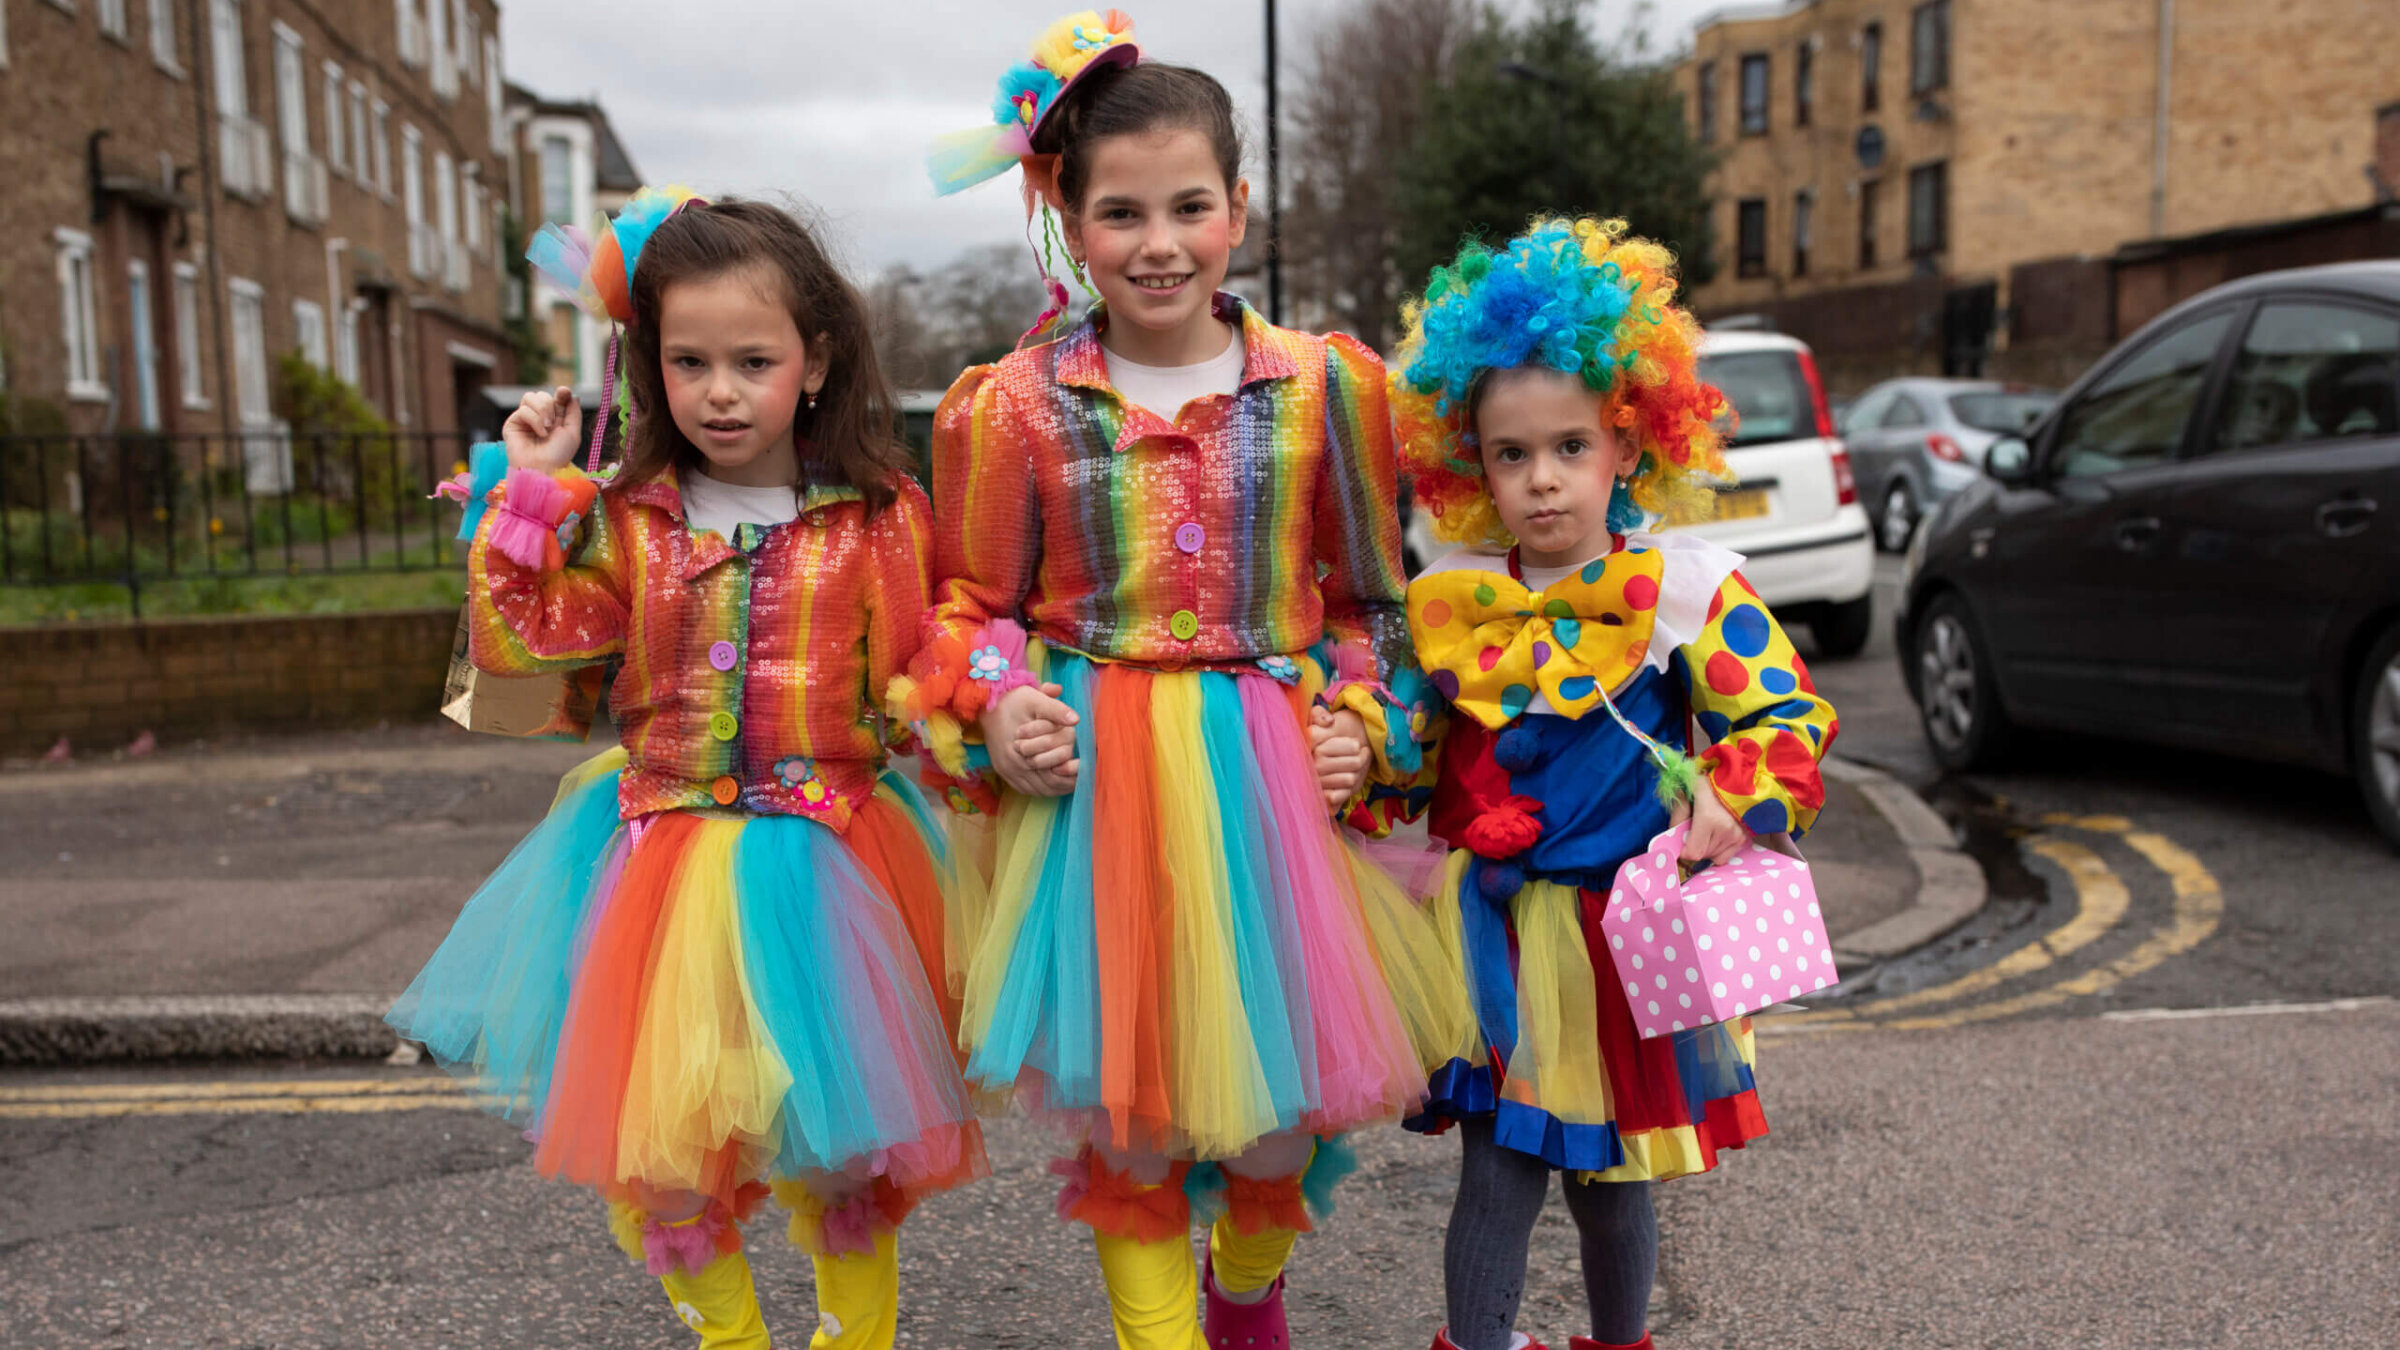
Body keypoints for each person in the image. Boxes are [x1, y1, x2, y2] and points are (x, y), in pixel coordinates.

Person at [898, 13, 1472, 1348]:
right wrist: (996, 699)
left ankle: (1246, 1291)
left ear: (1240, 207)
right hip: (1098, 809)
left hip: (1275, 799)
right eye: (1120, 212)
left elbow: (1379, 608)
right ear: (1065, 213)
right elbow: (966, 609)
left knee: (1279, 1133)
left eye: (1190, 206)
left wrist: (1365, 720)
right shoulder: (1011, 405)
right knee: (1135, 1133)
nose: (1158, 242)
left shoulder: (1334, 388)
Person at [388, 189, 984, 1350]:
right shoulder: (623, 520)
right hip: (658, 868)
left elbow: (921, 675)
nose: (719, 389)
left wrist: (988, 723)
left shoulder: (879, 516)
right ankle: (733, 1339)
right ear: (646, 364)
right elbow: (519, 665)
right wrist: (527, 500)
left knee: (848, 1153)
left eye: (752, 360)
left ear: (814, 362)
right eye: (688, 360)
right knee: (664, 1166)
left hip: (840, 867)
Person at [1376, 217, 1840, 1350]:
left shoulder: (1683, 592)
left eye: (1571, 447)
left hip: (1621, 941)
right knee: (1497, 1176)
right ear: (1469, 460)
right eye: (1511, 453)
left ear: (1629, 444)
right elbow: (1400, 740)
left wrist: (1733, 793)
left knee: (1616, 1179)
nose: (1542, 481)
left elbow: (1783, 715)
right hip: (1492, 938)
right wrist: (1366, 747)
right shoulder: (1452, 601)